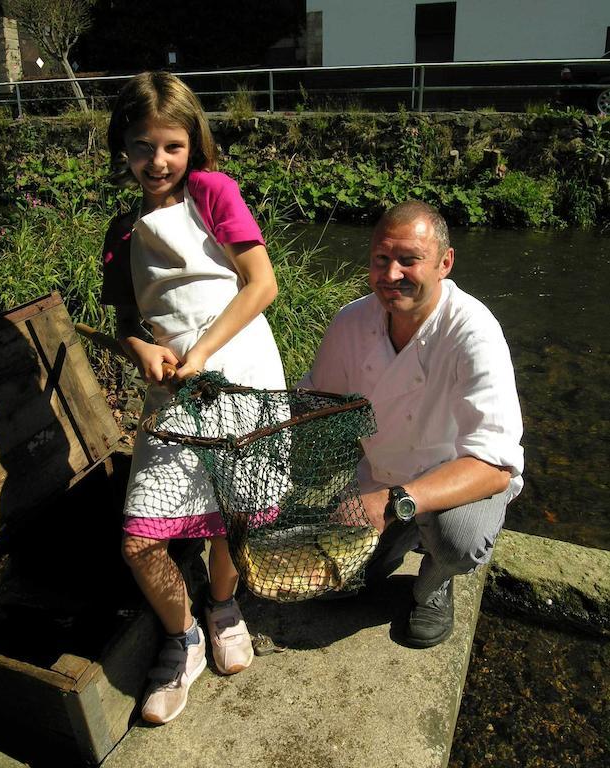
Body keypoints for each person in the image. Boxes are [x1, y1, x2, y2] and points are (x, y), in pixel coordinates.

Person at [100, 72, 286, 723]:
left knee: (234, 517)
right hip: (174, 396)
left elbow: (261, 284)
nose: (158, 161)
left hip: (244, 376)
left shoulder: (212, 191)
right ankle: (183, 639)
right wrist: (141, 350)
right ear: (121, 147)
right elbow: (127, 321)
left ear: (192, 144)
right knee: (140, 540)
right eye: (142, 146)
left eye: (172, 145)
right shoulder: (121, 233)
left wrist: (202, 351)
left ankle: (223, 604)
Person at [300, 200, 523, 648]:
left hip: (454, 488)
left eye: (409, 260)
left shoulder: (472, 332)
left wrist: (392, 502)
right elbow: (319, 408)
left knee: (457, 539)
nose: (392, 274)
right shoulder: (351, 321)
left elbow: (494, 466)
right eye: (382, 259)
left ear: (444, 263)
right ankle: (399, 536)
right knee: (335, 588)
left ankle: (433, 583)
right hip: (379, 477)